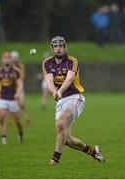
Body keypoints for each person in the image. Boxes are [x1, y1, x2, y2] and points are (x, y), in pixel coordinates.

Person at [43, 36, 105, 165]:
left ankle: (54, 160)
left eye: (61, 46)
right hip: (61, 101)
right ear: (52, 48)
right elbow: (49, 81)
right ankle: (94, 152)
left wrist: (60, 91)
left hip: (75, 97)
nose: (58, 48)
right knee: (66, 139)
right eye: (55, 46)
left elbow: (69, 78)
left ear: (65, 47)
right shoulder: (47, 63)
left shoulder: (72, 61)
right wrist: (54, 91)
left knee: (60, 124)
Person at [0, 52, 23, 144]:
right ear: (2, 59)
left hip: (13, 99)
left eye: (8, 58)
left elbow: (20, 84)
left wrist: (18, 93)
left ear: (11, 60)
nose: (7, 59)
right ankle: (3, 138)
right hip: (2, 98)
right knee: (1, 117)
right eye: (5, 58)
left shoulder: (15, 71)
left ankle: (20, 133)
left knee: (17, 121)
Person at [10, 51, 30, 127]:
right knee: (11, 105)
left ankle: (27, 120)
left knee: (21, 104)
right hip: (11, 89)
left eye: (15, 57)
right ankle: (11, 121)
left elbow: (22, 76)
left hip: (19, 88)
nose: (14, 59)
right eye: (12, 57)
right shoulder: (8, 66)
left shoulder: (20, 66)